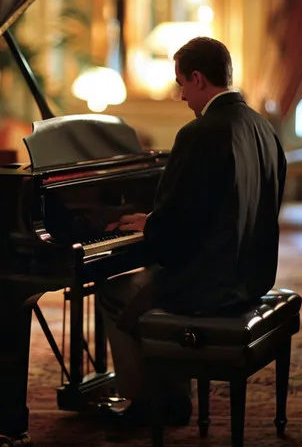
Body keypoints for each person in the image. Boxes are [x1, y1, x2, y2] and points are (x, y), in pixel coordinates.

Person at [97, 36, 287, 426]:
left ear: (198, 78)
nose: (181, 95)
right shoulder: (263, 128)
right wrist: (160, 224)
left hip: (210, 284)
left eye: (181, 83)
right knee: (149, 282)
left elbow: (174, 229)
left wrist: (150, 225)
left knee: (114, 292)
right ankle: (172, 395)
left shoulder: (200, 133)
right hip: (251, 276)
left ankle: (148, 404)